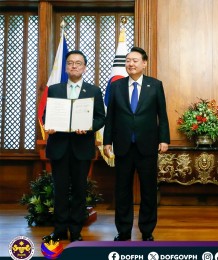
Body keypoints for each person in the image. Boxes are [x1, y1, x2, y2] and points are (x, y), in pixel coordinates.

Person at [103, 47, 170, 241]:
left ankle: (147, 231)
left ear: (144, 63)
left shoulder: (155, 85)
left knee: (148, 191)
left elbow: (162, 115)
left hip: (147, 146)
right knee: (122, 191)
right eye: (128, 61)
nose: (130, 64)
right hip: (123, 146)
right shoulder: (116, 86)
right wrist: (107, 141)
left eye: (135, 60)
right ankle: (123, 231)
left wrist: (164, 138)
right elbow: (111, 117)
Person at [42, 50, 106, 242]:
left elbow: (100, 118)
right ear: (66, 67)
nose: (74, 66)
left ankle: (76, 231)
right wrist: (49, 125)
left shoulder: (93, 90)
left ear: (84, 67)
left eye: (78, 63)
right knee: (60, 190)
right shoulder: (54, 89)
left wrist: (88, 128)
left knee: (79, 190)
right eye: (70, 63)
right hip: (59, 147)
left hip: (82, 148)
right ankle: (60, 230)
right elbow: (46, 116)